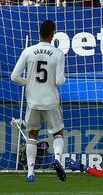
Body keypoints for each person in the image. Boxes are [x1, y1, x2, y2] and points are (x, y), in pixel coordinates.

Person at [11, 20, 66, 182]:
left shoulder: (28, 51)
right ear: (53, 34)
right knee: (58, 132)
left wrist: (28, 81)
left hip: (33, 102)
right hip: (51, 102)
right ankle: (56, 159)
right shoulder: (58, 53)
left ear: (39, 33)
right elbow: (60, 81)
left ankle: (30, 172)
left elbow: (14, 77)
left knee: (32, 136)